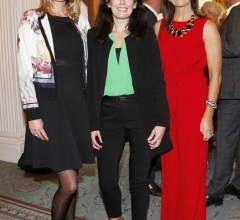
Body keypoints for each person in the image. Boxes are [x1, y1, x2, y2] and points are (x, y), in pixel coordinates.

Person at [87, 0, 172, 219]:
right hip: (107, 114)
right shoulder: (94, 36)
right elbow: (91, 84)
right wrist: (92, 123)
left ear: (135, 5)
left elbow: (157, 80)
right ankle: (115, 217)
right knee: (106, 179)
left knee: (140, 179)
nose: (122, 2)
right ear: (108, 3)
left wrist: (162, 120)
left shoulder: (145, 35)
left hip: (140, 113)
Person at [17, 0, 95, 219]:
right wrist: (32, 113)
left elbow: (89, 61)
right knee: (69, 186)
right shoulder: (31, 17)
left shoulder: (79, 19)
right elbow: (24, 68)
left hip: (78, 103)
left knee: (73, 184)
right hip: (50, 104)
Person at [154, 0, 221, 218]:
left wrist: (209, 113)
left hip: (194, 103)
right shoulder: (159, 26)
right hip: (166, 106)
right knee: (170, 170)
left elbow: (216, 76)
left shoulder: (207, 26)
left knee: (192, 171)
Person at [206, 0, 240, 207]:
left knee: (225, 141)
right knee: (236, 142)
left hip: (232, 88)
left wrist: (210, 43)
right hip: (237, 89)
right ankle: (238, 184)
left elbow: (235, 47)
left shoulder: (236, 12)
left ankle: (215, 190)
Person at [143, 0, 163, 197]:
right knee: (149, 138)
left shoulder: (146, 16)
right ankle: (147, 180)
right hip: (147, 90)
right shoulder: (147, 18)